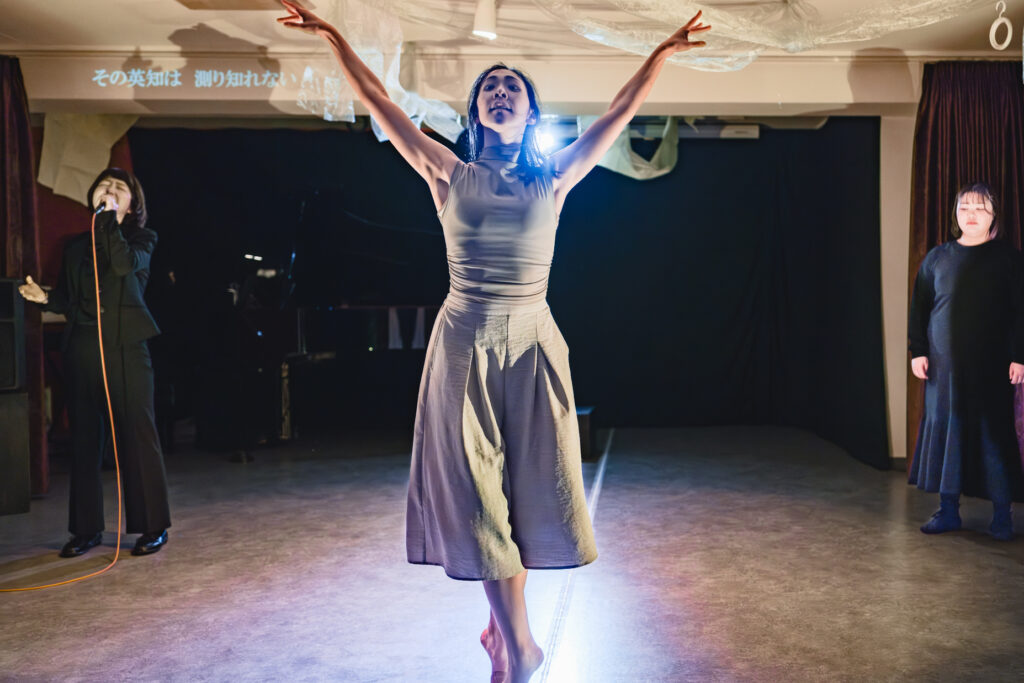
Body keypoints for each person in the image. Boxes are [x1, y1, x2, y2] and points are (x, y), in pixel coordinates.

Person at [276, 2, 709, 680]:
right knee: (478, 496)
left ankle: (503, 635)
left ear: (530, 113)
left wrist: (662, 52)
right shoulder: (447, 171)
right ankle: (521, 645)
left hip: (534, 339)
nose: (500, 91)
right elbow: (379, 102)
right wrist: (333, 36)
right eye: (489, 87)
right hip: (464, 340)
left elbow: (620, 111)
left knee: (531, 493)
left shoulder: (555, 174)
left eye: (512, 86)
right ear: (477, 111)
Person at [19, 168, 171, 557]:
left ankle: (153, 526)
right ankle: (86, 530)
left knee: (137, 435)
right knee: (85, 440)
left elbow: (123, 267)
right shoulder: (74, 247)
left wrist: (108, 223)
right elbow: (69, 300)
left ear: (132, 205)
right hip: (83, 347)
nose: (110, 190)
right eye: (105, 185)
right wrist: (45, 298)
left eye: (120, 188)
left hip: (125, 348)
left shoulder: (142, 240)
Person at [908, 182, 1024, 541]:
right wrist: (918, 351)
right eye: (965, 208)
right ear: (955, 214)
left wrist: (1020, 356)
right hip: (943, 368)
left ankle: (1002, 516)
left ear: (994, 215)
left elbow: (1021, 311)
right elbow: (920, 307)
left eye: (980, 208)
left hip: (994, 366)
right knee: (948, 432)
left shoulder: (1009, 259)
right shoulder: (937, 258)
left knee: (993, 435)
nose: (971, 215)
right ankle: (948, 510)